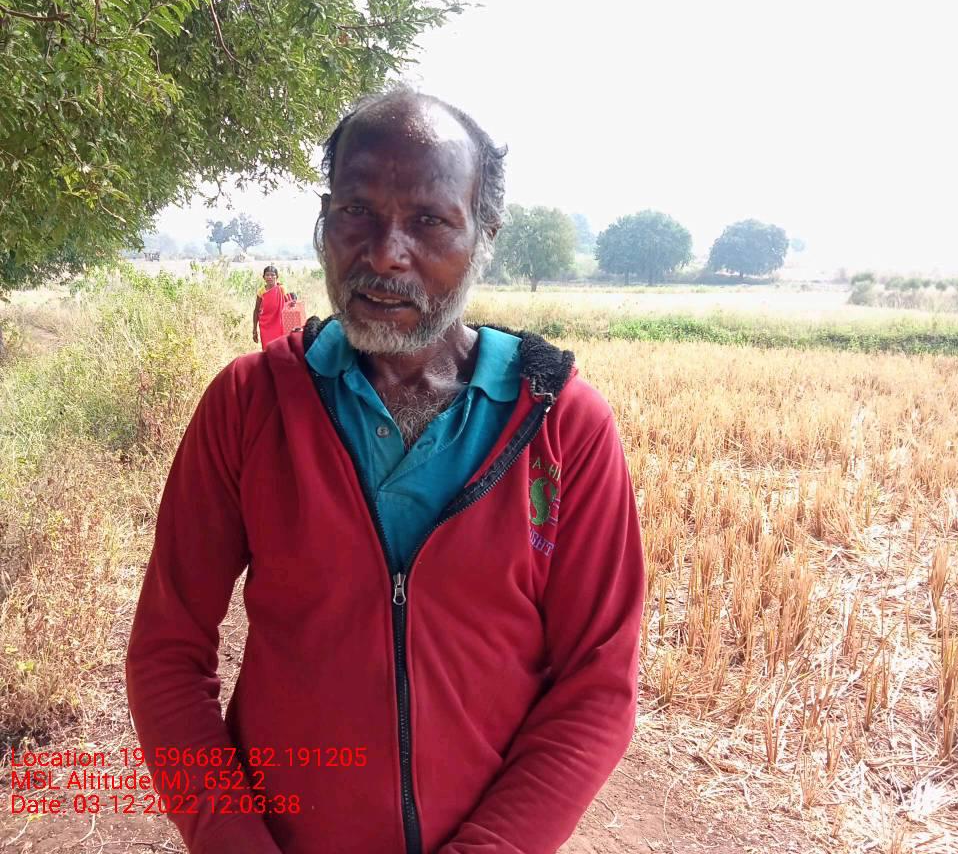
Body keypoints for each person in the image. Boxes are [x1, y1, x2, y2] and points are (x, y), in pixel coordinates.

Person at [126, 89, 645, 854]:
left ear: (484, 236)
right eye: (356, 211)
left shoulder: (561, 426)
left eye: (429, 220)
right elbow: (167, 654)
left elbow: (597, 687)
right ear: (324, 221)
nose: (383, 253)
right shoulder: (249, 405)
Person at [252, 265, 289, 348]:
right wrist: (254, 329)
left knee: (281, 347)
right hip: (265, 325)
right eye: (267, 275)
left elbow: (288, 305)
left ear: (277, 277)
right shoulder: (261, 291)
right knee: (268, 349)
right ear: (263, 277)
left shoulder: (281, 289)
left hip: (279, 324)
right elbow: (256, 310)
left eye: (272, 275)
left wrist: (292, 304)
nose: (270, 277)